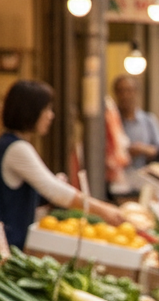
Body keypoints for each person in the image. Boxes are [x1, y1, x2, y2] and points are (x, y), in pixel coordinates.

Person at [0, 79, 122, 249]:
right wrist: (103, 210)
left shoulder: (13, 144)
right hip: (10, 247)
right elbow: (55, 191)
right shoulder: (17, 148)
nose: (51, 115)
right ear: (30, 111)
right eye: (47, 109)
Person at [112, 75, 159, 189]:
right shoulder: (112, 122)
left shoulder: (148, 121)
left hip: (145, 181)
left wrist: (143, 149)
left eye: (129, 90)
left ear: (136, 92)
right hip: (117, 183)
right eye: (121, 91)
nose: (125, 95)